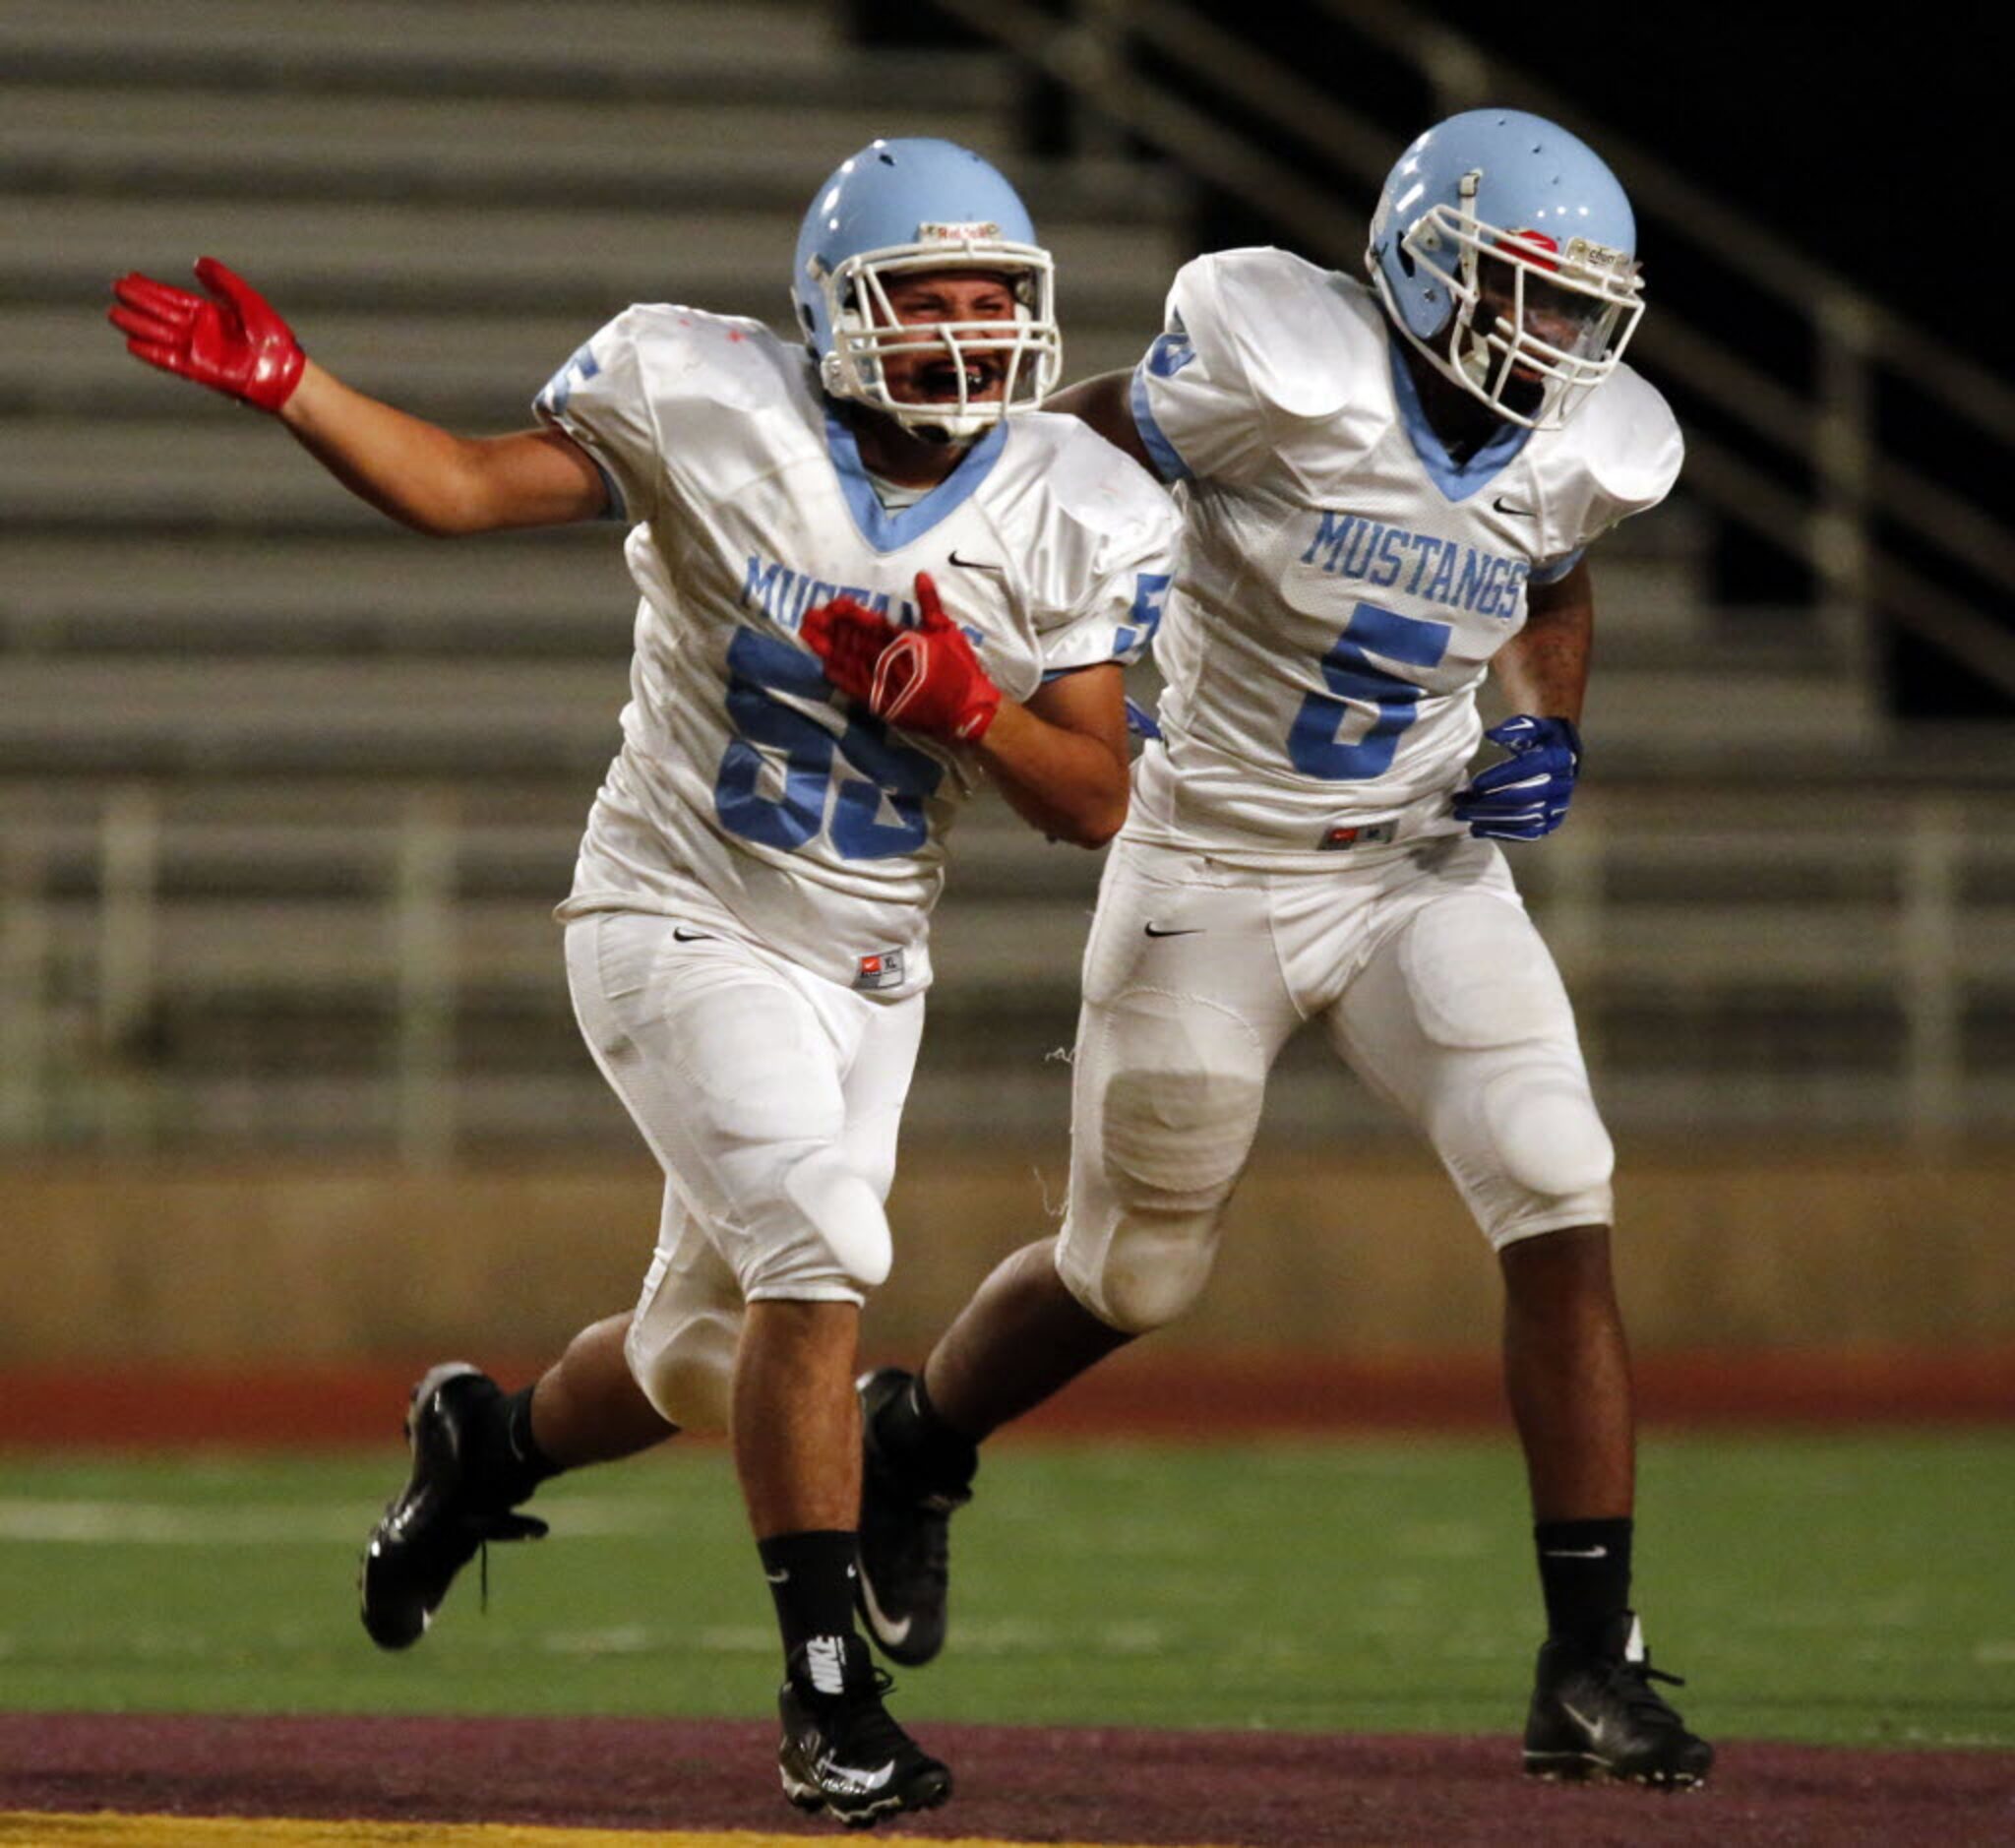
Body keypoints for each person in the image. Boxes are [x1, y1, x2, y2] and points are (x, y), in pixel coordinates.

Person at [107, 137, 1177, 1827]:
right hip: (670, 912)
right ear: (836, 311)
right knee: (823, 1257)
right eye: (928, 302)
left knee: (701, 1360)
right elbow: (464, 484)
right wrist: (299, 388)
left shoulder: (1080, 500)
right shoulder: (706, 394)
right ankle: (829, 1703)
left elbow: (1098, 797)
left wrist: (968, 709)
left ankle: (488, 1448)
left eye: (995, 302)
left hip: (866, 962)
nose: (967, 337)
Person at [848, 109, 1715, 1790]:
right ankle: (919, 1437)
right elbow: (1084, 435)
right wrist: (1090, 580)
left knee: (1560, 1186)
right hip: (1212, 859)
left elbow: (1547, 582)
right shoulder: (1284, 359)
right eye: (1524, 296)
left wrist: (1551, 724)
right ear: (1425, 266)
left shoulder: (1578, 445)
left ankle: (1586, 1661)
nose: (1554, 342)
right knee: (1135, 1273)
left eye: (1572, 308)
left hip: (1420, 862)